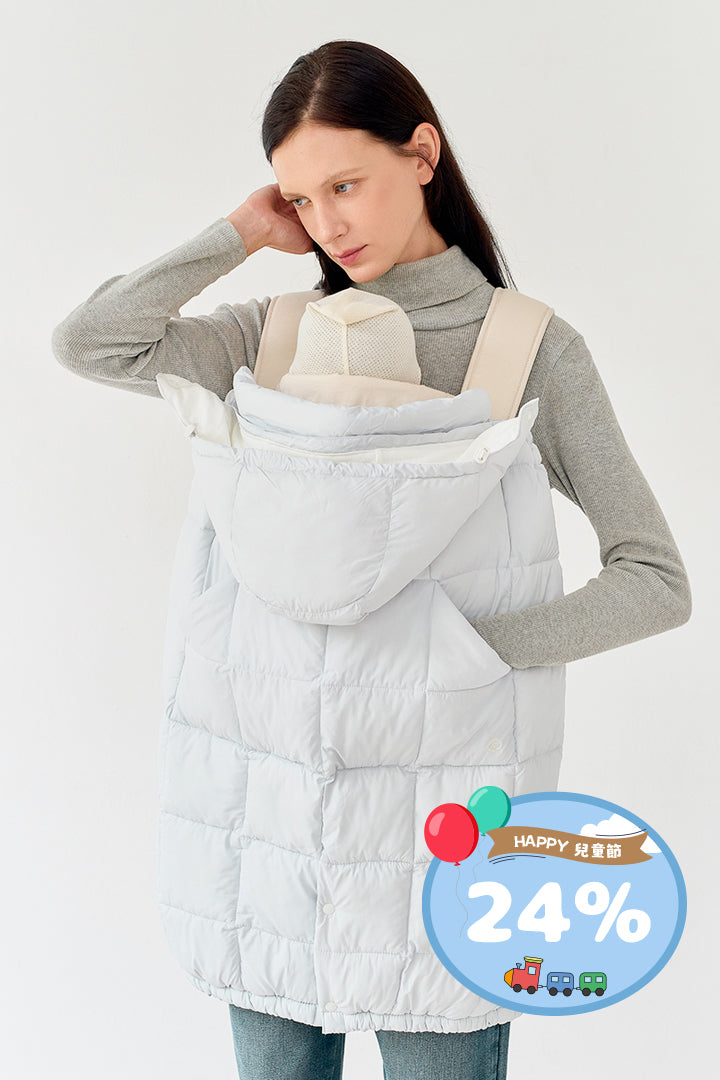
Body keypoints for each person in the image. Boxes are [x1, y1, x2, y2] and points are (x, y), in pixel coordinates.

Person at [51, 38, 691, 1080]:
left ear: (422, 154)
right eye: (301, 200)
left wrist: (468, 650)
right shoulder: (274, 337)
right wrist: (239, 234)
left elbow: (654, 580)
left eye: (344, 184)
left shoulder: (527, 349)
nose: (326, 224)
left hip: (446, 825)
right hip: (272, 833)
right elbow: (90, 342)